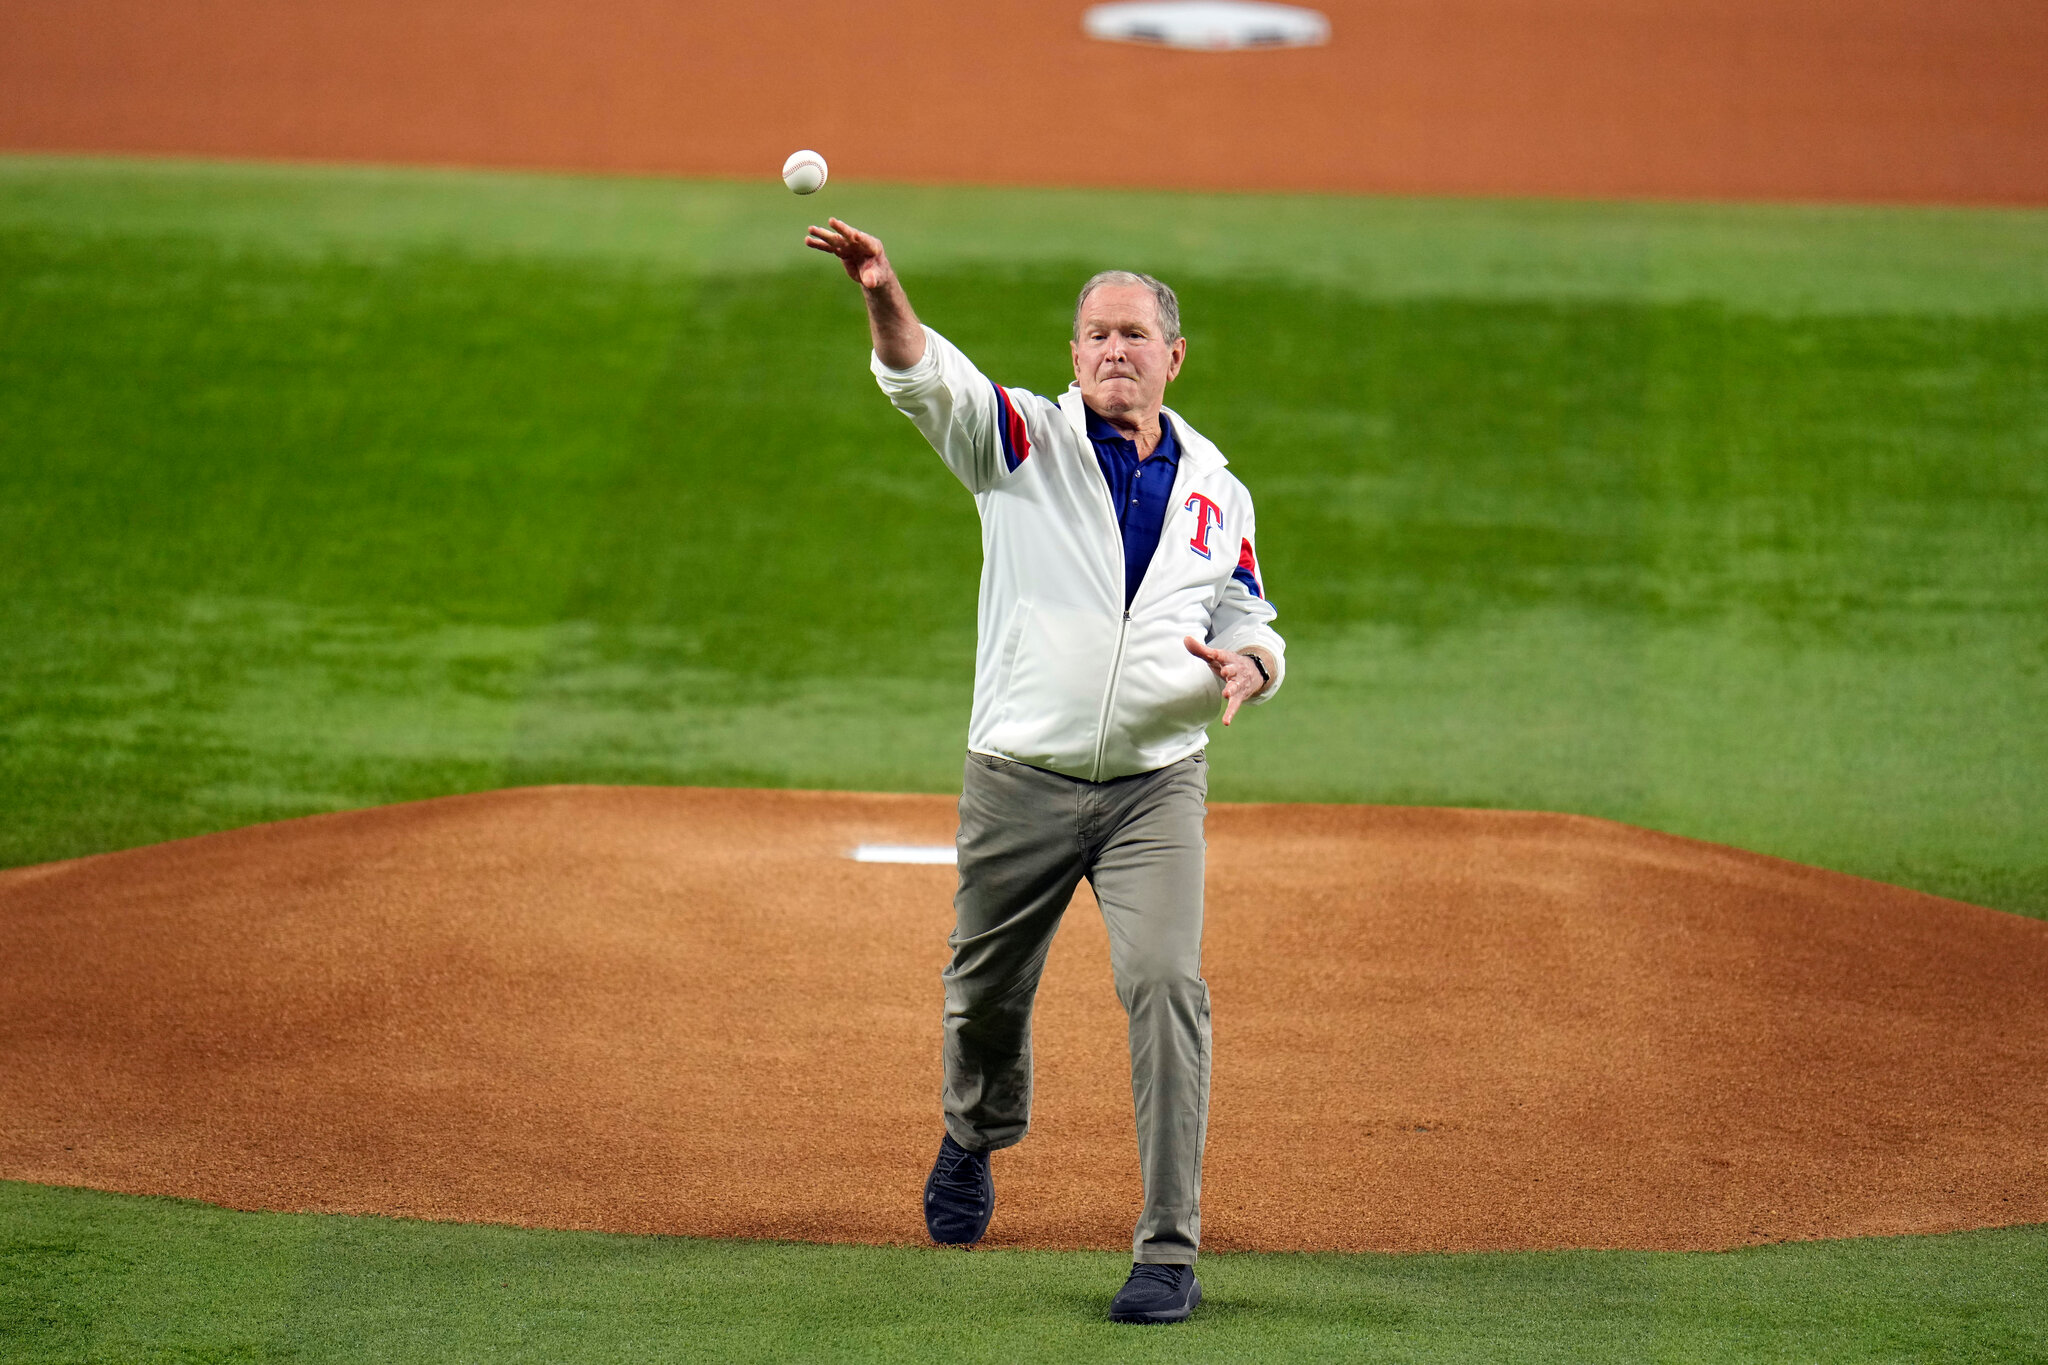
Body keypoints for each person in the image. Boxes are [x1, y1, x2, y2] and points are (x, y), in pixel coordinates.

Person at [806, 218, 1285, 1325]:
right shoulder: (1019, 440)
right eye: (1093, 334)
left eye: (1132, 334)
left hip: (1156, 786)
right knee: (983, 997)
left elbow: (1248, 609)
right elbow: (921, 377)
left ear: (1173, 355)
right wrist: (881, 291)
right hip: (1018, 776)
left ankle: (1167, 1250)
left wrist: (1251, 666)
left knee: (1167, 986)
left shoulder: (1218, 490)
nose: (1111, 349)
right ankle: (972, 1133)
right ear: (1072, 357)